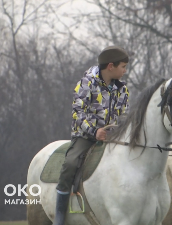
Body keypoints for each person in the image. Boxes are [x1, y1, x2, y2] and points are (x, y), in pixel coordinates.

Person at [54, 46, 130, 225]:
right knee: (70, 163)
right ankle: (59, 213)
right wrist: (94, 132)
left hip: (112, 137)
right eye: (123, 67)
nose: (125, 71)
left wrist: (120, 131)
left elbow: (124, 114)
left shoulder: (123, 89)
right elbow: (77, 112)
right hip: (85, 137)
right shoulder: (87, 83)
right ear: (111, 66)